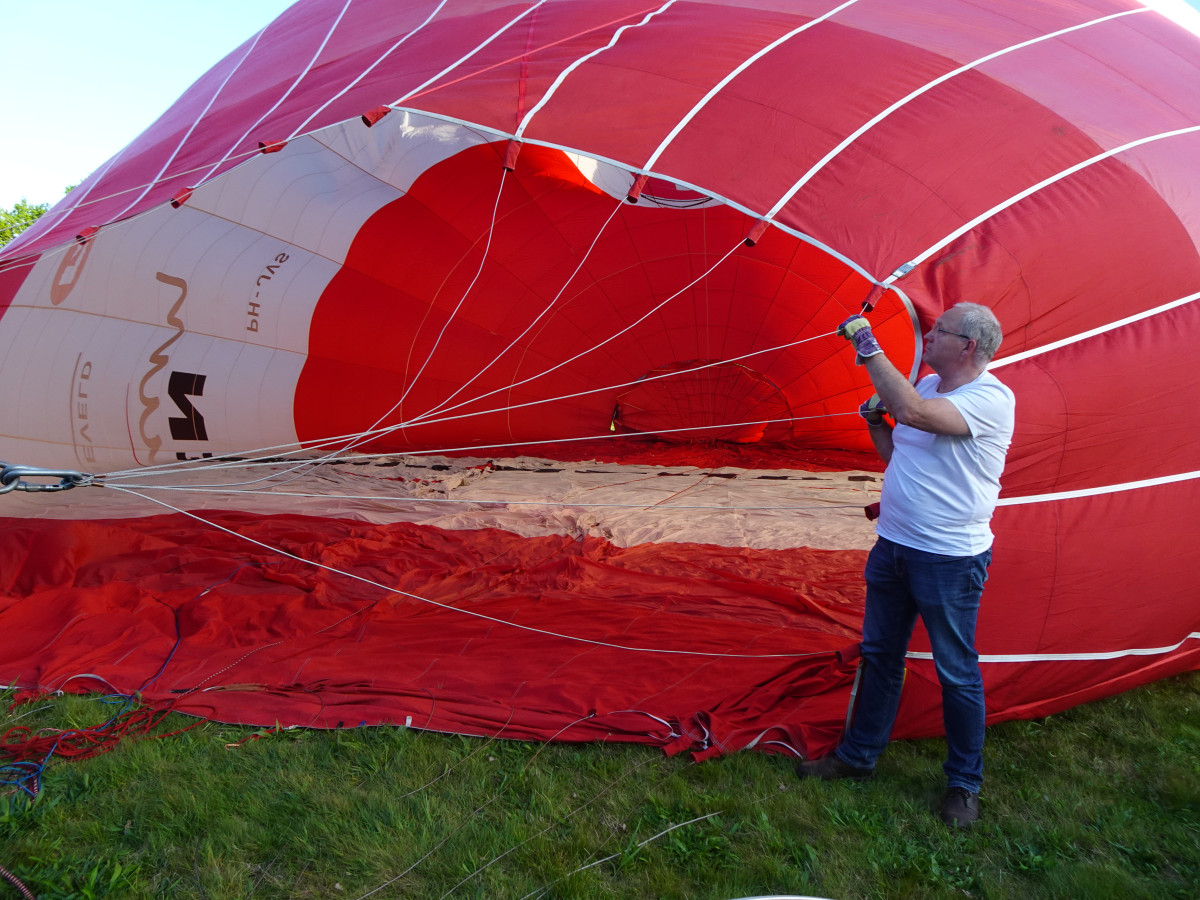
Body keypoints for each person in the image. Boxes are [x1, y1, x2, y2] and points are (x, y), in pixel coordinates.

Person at [796, 301, 1015, 829]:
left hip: (949, 559)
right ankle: (857, 757)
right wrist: (875, 422)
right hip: (893, 546)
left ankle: (964, 784)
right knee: (880, 656)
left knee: (956, 671)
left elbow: (913, 414)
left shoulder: (990, 399)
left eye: (940, 330)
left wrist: (867, 346)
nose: (929, 335)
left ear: (968, 346)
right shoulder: (930, 385)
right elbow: (903, 456)